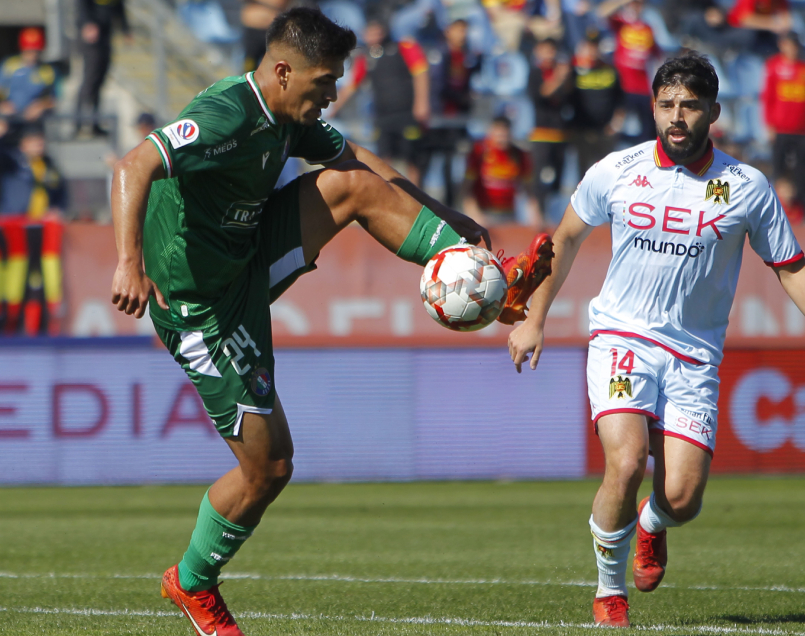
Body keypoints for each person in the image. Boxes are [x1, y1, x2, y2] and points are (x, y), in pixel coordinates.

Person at [108, 10, 553, 635]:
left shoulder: (292, 115)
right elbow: (133, 166)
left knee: (351, 185)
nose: (333, 95)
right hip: (199, 305)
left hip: (247, 255)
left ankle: (492, 278)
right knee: (270, 467)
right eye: (325, 82)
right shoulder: (225, 115)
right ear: (283, 72)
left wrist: (446, 216)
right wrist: (129, 263)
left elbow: (362, 163)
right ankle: (192, 581)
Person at [506, 52, 805, 628]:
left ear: (713, 113)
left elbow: (789, 265)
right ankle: (609, 591)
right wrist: (534, 317)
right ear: (652, 108)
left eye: (690, 106)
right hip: (621, 337)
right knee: (626, 463)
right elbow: (564, 239)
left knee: (683, 499)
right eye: (667, 104)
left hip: (693, 356)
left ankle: (652, 525)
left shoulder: (746, 187)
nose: (677, 116)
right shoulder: (616, 170)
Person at [333, 20, 431, 185]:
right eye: (369, 33)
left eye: (376, 32)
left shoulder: (403, 47)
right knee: (383, 158)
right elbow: (353, 85)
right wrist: (334, 107)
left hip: (407, 113)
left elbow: (421, 73)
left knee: (412, 158)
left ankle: (415, 195)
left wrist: (422, 103)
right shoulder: (366, 56)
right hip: (383, 115)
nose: (373, 36)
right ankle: (389, 193)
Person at [763, 32, 805, 207]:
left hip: (801, 129)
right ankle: (778, 205)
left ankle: (800, 206)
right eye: (788, 45)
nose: (792, 49)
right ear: (782, 45)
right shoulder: (774, 66)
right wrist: (769, 125)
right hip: (780, 128)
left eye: (794, 45)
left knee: (801, 170)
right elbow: (768, 97)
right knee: (779, 168)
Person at [428, 19, 481, 206]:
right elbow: (438, 86)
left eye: (464, 30)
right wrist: (463, 98)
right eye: (458, 30)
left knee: (454, 160)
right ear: (448, 32)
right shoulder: (440, 53)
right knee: (436, 159)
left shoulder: (467, 56)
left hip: (458, 117)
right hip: (440, 116)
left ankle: (452, 203)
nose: (462, 34)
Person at [599, 0, 662, 146]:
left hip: (643, 88)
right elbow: (601, 13)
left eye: (639, 4)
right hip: (623, 86)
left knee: (647, 132)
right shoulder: (621, 23)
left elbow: (657, 56)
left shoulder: (648, 28)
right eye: (634, 3)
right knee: (619, 128)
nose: (637, 7)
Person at [463, 115, 541, 227]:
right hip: (483, 213)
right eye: (498, 134)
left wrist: (535, 215)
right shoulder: (479, 152)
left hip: (508, 214)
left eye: (505, 135)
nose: (502, 139)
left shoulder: (518, 155)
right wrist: (475, 214)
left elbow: (529, 189)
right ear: (491, 132)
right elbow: (466, 189)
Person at [529, 38, 572, 222]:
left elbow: (569, 96)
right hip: (541, 133)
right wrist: (559, 78)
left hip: (561, 133)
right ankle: (538, 216)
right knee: (539, 177)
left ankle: (554, 216)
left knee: (558, 178)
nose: (549, 55)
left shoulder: (564, 72)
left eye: (551, 50)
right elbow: (542, 93)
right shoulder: (535, 72)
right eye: (545, 50)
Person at [571, 35, 624, 175]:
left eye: (595, 47)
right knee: (583, 172)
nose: (592, 51)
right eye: (589, 47)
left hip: (605, 131)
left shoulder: (610, 70)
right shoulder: (575, 70)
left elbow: (621, 100)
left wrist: (616, 124)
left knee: (605, 172)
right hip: (583, 131)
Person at [76, 0, 130, 137]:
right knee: (89, 82)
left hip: (106, 35)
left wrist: (125, 29)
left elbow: (119, 6)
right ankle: (77, 123)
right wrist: (87, 23)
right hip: (92, 36)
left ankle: (95, 124)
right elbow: (82, 5)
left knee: (99, 82)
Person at [684, 0, 792, 56]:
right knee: (749, 36)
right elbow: (745, 19)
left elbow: (786, 17)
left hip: (762, 33)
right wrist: (772, 24)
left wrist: (783, 26)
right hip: (733, 30)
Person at [0, 127, 65, 218]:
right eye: (32, 141)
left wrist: (57, 208)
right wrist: (2, 136)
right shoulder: (12, 161)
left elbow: (59, 190)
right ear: (22, 144)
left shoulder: (48, 164)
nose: (39, 144)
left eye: (40, 140)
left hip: (42, 218)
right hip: (14, 218)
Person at [0, 28, 56, 125]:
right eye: (29, 51)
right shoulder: (9, 65)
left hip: (33, 121)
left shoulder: (47, 71)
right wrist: (3, 105)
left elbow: (54, 99)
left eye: (36, 51)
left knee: (34, 136)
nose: (33, 55)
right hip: (9, 118)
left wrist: (40, 106)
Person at [240, 0, 288, 72]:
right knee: (249, 64)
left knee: (273, 65)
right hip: (251, 28)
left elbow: (279, 3)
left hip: (272, 30)